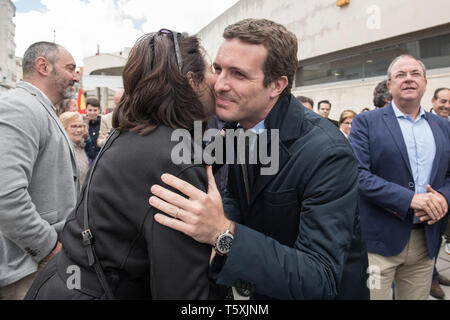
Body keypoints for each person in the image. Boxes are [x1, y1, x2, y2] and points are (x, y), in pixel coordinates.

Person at [149, 18, 369, 300]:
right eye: (218, 69)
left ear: (276, 85)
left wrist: (222, 233)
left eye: (238, 74)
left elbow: (320, 278)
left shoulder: (327, 153)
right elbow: (238, 200)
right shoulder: (237, 127)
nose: (219, 85)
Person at [25, 29, 216, 300]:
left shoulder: (131, 131)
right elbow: (182, 293)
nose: (217, 80)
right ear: (191, 81)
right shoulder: (176, 158)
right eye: (211, 70)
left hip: (63, 285)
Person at [348, 54, 450, 300]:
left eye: (415, 74)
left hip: (425, 242)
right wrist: (411, 199)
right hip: (378, 243)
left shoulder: (443, 126)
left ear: (425, 83)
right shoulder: (366, 122)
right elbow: (357, 175)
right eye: (400, 75)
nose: (408, 79)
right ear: (390, 85)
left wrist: (444, 199)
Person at [0, 41, 79, 300]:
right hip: (27, 270)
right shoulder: (20, 107)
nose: (75, 76)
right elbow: (6, 195)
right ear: (43, 66)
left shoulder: (40, 108)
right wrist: (47, 248)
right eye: (70, 68)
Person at [428, 86, 450, 299]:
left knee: (441, 239)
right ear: (433, 102)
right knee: (429, 240)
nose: (446, 106)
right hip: (428, 197)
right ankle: (431, 277)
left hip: (446, 196)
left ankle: (434, 271)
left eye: (449, 102)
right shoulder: (425, 124)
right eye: (442, 101)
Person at [59, 112, 90, 188]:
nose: (79, 130)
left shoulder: (80, 146)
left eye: (81, 126)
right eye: (74, 126)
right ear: (63, 128)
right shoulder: (61, 150)